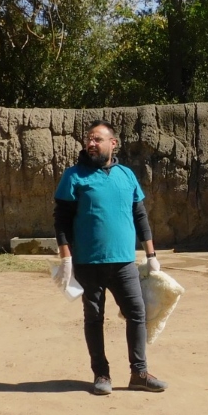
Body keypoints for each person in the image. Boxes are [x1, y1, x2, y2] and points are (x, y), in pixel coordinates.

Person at [53, 120, 167, 396]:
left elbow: (140, 215)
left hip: (124, 262)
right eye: (88, 140)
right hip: (88, 263)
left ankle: (139, 372)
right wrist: (66, 257)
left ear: (112, 144)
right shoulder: (74, 176)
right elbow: (61, 220)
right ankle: (101, 374)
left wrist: (151, 254)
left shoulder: (126, 175)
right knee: (94, 317)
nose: (91, 144)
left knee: (137, 314)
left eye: (97, 139)